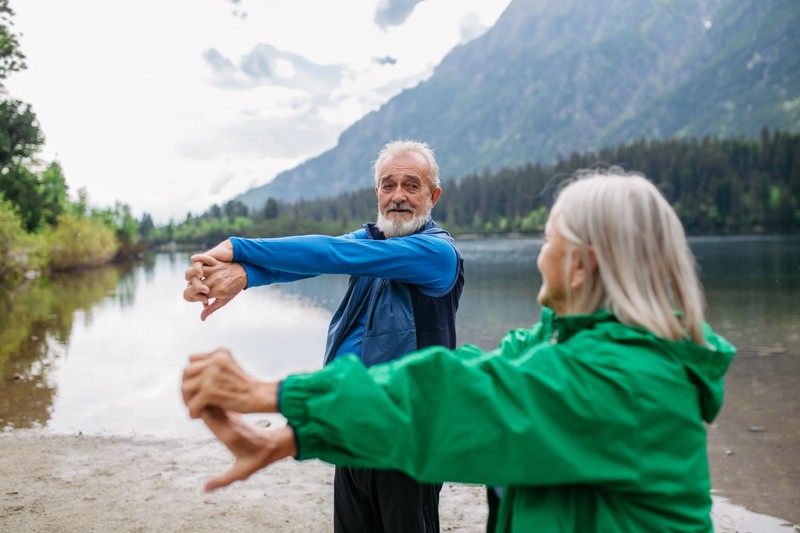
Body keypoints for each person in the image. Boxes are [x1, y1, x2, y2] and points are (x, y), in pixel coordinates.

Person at [182, 169, 736, 532]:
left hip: (395, 438)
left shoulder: (629, 380)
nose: (539, 257)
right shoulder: (556, 344)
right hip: (367, 432)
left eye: (548, 240)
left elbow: (457, 397)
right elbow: (469, 372)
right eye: (387, 184)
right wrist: (300, 433)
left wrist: (270, 392)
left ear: (583, 264)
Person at [183, 139, 465, 533]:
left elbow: (330, 253)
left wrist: (236, 247)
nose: (397, 196)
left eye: (411, 185)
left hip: (406, 440)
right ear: (377, 193)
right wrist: (242, 276)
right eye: (388, 185)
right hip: (350, 431)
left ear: (433, 195)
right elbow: (308, 262)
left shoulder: (436, 254)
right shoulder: (373, 241)